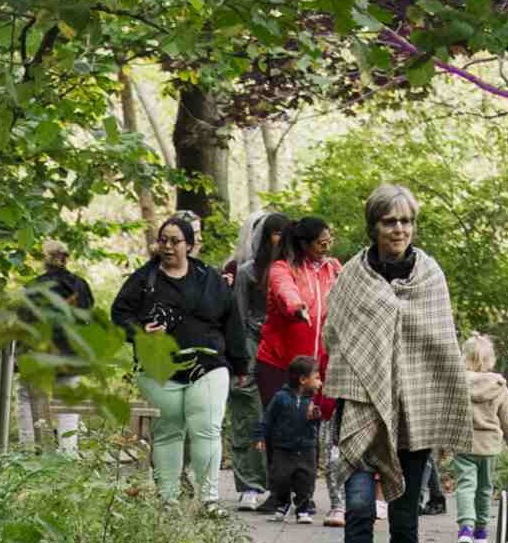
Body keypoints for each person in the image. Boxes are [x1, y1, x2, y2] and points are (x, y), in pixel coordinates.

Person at [322, 185, 470, 543]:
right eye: (390, 221)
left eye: (406, 221)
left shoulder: (430, 276)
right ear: (374, 226)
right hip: (360, 408)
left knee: (406, 519)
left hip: (414, 412)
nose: (399, 229)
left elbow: (441, 344)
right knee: (361, 509)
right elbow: (334, 336)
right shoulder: (352, 276)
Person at [112, 216, 250, 514]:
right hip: (159, 368)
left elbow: (232, 320)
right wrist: (138, 331)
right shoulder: (143, 280)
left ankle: (207, 499)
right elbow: (119, 314)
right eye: (163, 240)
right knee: (168, 432)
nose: (168, 246)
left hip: (209, 364)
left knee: (207, 430)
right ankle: (169, 499)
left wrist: (240, 365)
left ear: (189, 245)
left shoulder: (209, 279)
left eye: (175, 241)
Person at [257, 216, 343, 519]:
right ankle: (278, 493)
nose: (328, 247)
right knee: (281, 427)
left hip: (316, 366)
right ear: (305, 244)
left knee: (311, 425)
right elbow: (284, 291)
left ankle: (303, 494)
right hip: (279, 362)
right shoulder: (284, 268)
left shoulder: (333, 269)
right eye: (322, 243)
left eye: (330, 241)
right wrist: (297, 307)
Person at [225, 212, 289, 509]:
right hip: (251, 340)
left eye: (284, 233)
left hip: (287, 346)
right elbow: (237, 314)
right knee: (247, 407)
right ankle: (250, 483)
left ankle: (286, 487)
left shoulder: (296, 272)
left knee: (288, 412)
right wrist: (238, 358)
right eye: (274, 233)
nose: (279, 238)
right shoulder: (248, 272)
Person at [19, 240, 94, 451]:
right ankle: (68, 451)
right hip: (71, 353)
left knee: (26, 396)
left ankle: (29, 447)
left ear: (45, 259)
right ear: (66, 258)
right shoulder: (81, 286)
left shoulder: (33, 287)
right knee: (69, 401)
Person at [453, 333, 508, 543]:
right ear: (490, 359)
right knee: (484, 487)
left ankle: (466, 528)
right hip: (489, 445)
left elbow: (449, 413)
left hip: (464, 442)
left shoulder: (457, 383)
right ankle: (481, 530)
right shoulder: (498, 386)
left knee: (465, 485)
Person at [257, 355, 322, 522]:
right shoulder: (281, 397)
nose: (320, 382)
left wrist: (316, 416)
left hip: (307, 448)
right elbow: (268, 418)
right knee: (280, 478)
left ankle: (303, 509)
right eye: (316, 378)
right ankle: (282, 504)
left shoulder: (315, 401)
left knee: (306, 479)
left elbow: (318, 422)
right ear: (302, 379)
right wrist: (261, 437)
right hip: (283, 448)